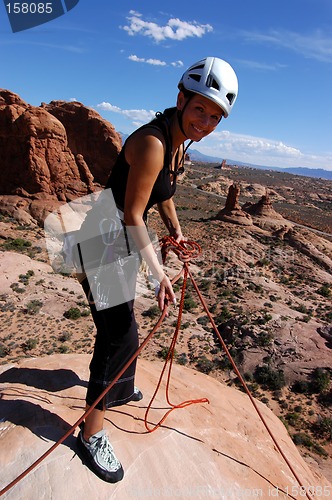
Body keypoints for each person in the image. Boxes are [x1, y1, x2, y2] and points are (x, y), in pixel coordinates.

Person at [76, 56, 238, 483]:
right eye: (200, 108)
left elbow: (161, 192)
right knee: (117, 336)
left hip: (119, 239)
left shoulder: (177, 139)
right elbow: (132, 213)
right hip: (103, 239)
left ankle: (122, 389)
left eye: (215, 115)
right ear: (181, 98)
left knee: (123, 323)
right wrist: (159, 273)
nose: (205, 120)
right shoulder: (154, 141)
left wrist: (178, 231)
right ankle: (90, 435)